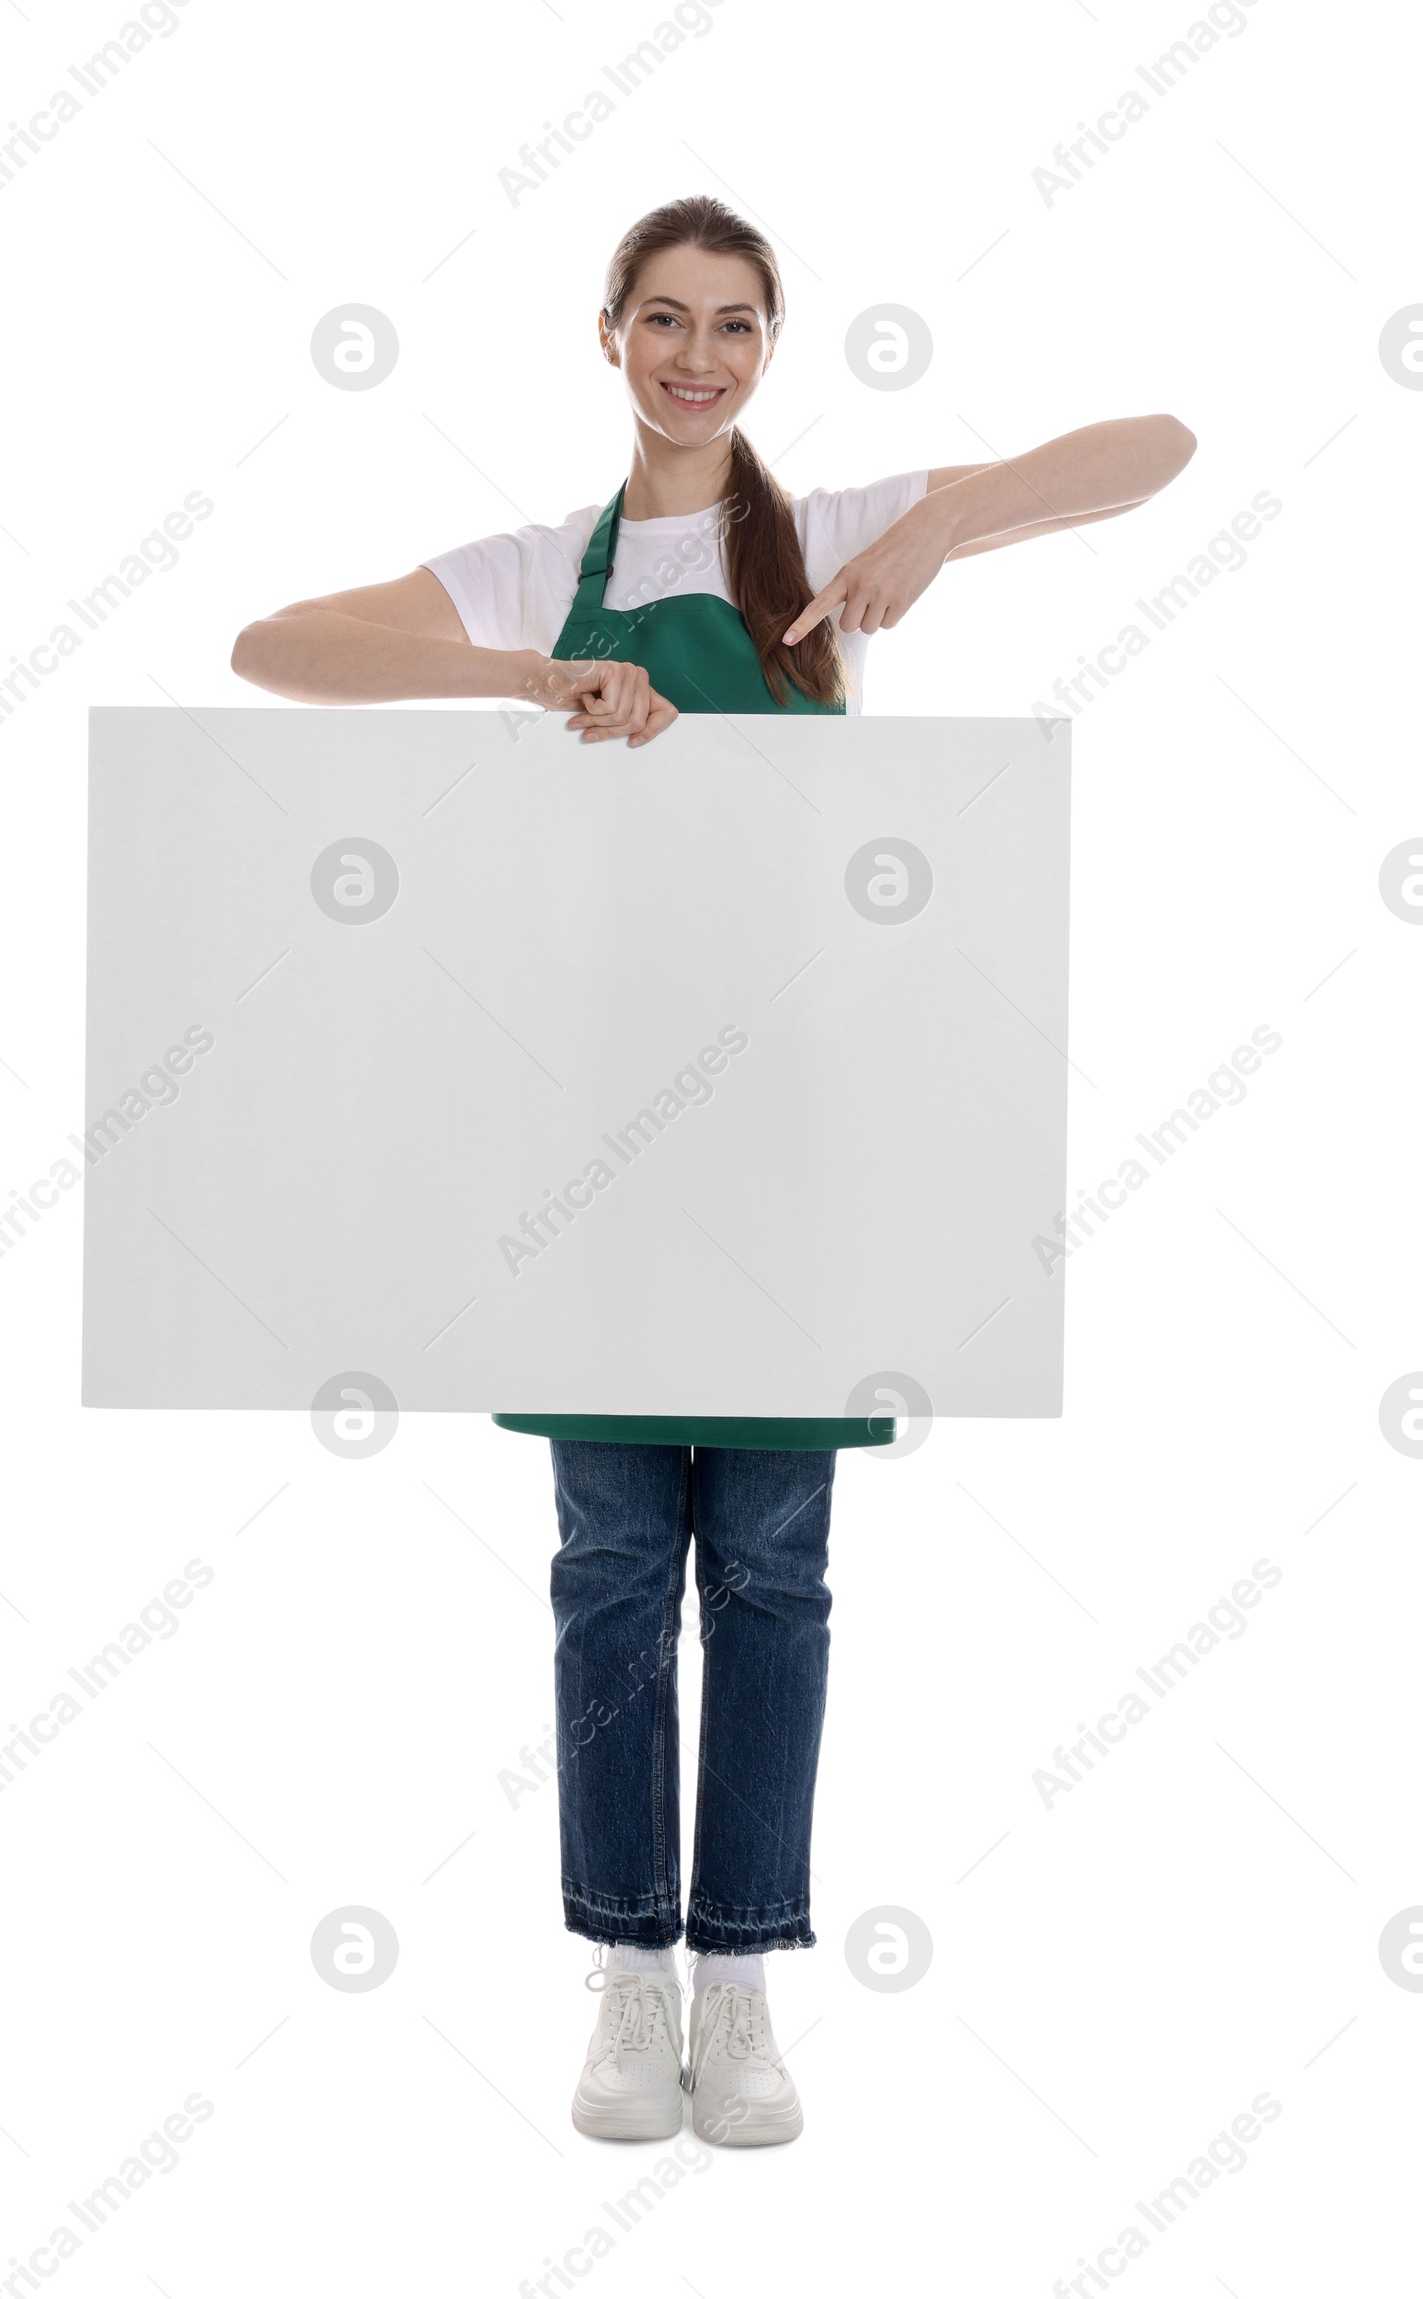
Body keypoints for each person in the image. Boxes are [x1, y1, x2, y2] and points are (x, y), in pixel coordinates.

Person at [231, 194, 1196, 2147]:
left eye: (732, 324)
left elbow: (1153, 450)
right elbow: (274, 647)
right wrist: (525, 683)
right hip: (583, 1141)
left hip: (792, 1138)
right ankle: (624, 1973)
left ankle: (741, 1975)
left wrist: (941, 524)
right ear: (605, 337)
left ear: (767, 348)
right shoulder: (533, 570)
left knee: (767, 1570)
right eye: (660, 319)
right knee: (605, 1569)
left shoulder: (826, 539)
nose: (695, 354)